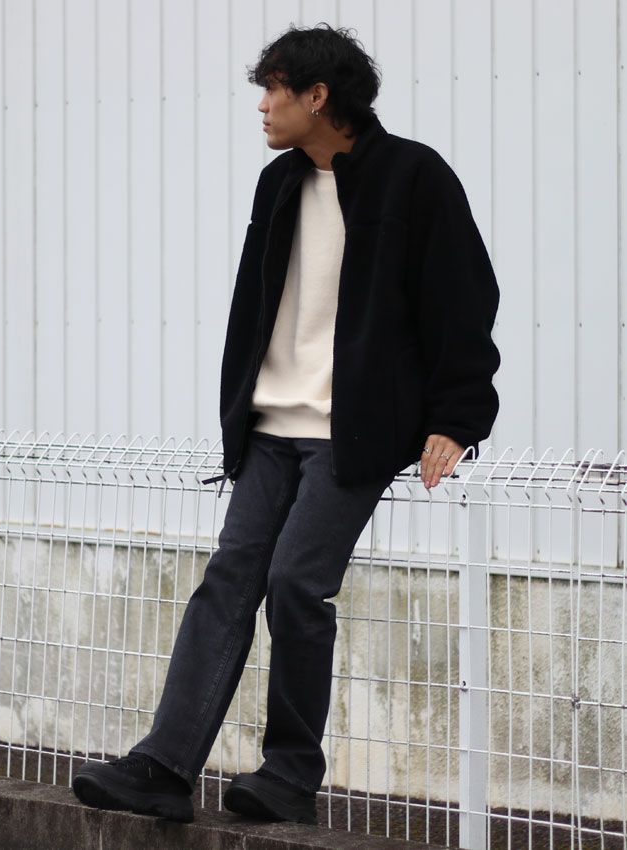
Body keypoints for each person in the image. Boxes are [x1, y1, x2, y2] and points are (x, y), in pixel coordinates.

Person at [72, 22, 500, 826]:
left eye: (274, 89)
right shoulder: (279, 185)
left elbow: (463, 300)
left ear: (318, 95)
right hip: (271, 425)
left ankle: (290, 774)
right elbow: (255, 307)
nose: (263, 105)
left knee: (297, 584)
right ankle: (164, 767)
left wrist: (457, 418)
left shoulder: (414, 178)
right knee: (228, 581)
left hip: (354, 433)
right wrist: (238, 411)